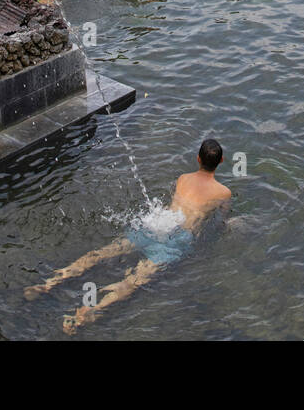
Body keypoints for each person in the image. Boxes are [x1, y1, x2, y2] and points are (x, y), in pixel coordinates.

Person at [24, 139, 232, 332]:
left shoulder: (183, 179)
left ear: (197, 158)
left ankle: (51, 281)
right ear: (221, 161)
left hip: (156, 225)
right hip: (177, 239)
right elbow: (221, 222)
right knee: (134, 279)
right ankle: (92, 309)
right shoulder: (224, 192)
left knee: (102, 253)